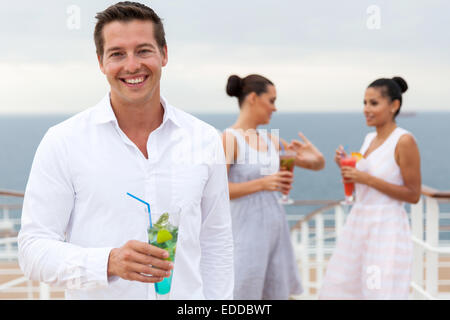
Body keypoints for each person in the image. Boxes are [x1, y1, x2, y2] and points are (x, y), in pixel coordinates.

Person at [18, 2, 233, 300]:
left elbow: (216, 244)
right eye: (117, 53)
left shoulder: (205, 140)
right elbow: (33, 249)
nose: (132, 65)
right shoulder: (62, 142)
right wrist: (107, 262)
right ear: (101, 62)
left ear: (164, 54)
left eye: (143, 50)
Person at [222, 74, 325, 299]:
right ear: (252, 98)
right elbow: (218, 191)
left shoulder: (272, 141)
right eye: (271, 100)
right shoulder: (230, 139)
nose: (275, 108)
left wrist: (313, 153)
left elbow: (317, 165)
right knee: (243, 294)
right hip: (245, 235)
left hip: (275, 231)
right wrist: (262, 183)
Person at [319, 76, 421, 300]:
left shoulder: (404, 141)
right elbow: (363, 187)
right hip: (358, 224)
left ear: (394, 106)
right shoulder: (368, 139)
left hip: (386, 229)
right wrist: (346, 167)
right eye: (364, 103)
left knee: (378, 291)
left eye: (373, 103)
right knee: (343, 287)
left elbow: (413, 194)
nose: (366, 109)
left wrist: (366, 179)